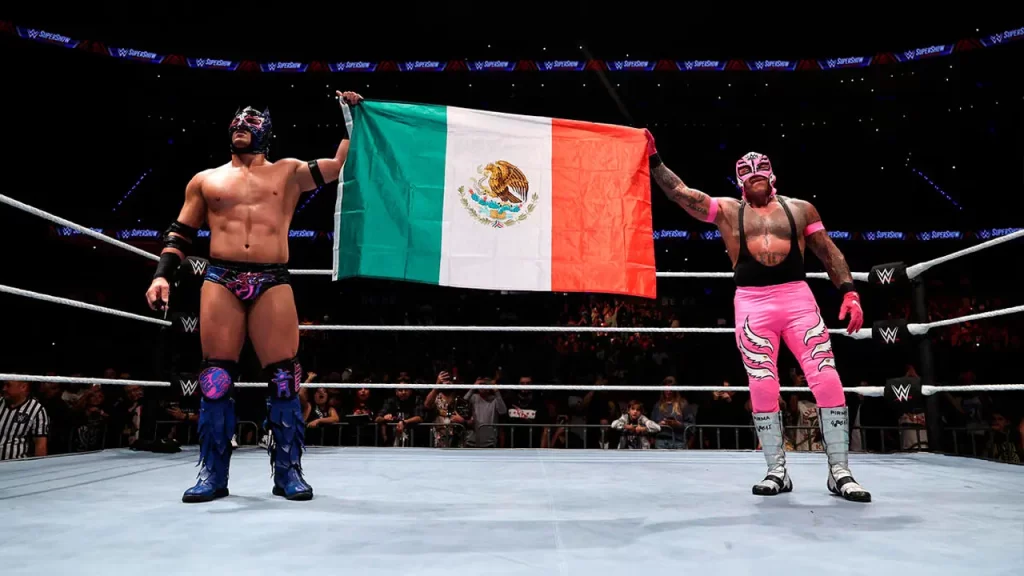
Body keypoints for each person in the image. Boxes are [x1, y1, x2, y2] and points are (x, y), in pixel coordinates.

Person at [145, 91, 364, 502]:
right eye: (237, 123)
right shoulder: (206, 179)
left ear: (266, 132)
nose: (241, 127)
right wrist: (161, 277)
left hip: (271, 277)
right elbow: (180, 234)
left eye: (250, 123)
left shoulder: (288, 172)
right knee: (215, 378)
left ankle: (288, 473)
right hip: (220, 276)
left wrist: (353, 114)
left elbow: (340, 165)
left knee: (284, 377)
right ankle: (212, 475)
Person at [645, 132, 870, 502]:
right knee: (762, 384)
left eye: (761, 174)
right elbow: (680, 193)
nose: (755, 179)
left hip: (797, 299)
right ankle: (776, 470)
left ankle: (840, 471)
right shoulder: (728, 211)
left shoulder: (801, 210)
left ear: (772, 176)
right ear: (741, 182)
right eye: (749, 177)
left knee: (826, 376)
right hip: (753, 303)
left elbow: (828, 251)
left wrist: (849, 291)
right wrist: (654, 158)